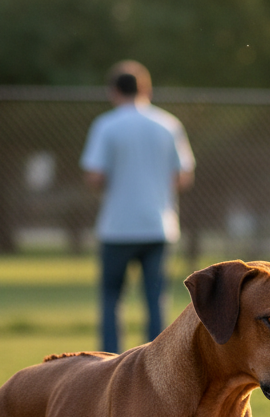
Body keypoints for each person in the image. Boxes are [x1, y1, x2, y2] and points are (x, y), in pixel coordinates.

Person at [80, 61, 195, 353]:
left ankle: (107, 359)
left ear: (114, 91)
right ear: (146, 88)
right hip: (158, 225)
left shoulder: (106, 124)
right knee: (155, 299)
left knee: (111, 297)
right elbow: (183, 176)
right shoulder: (168, 124)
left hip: (117, 227)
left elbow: (95, 175)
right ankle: (156, 361)